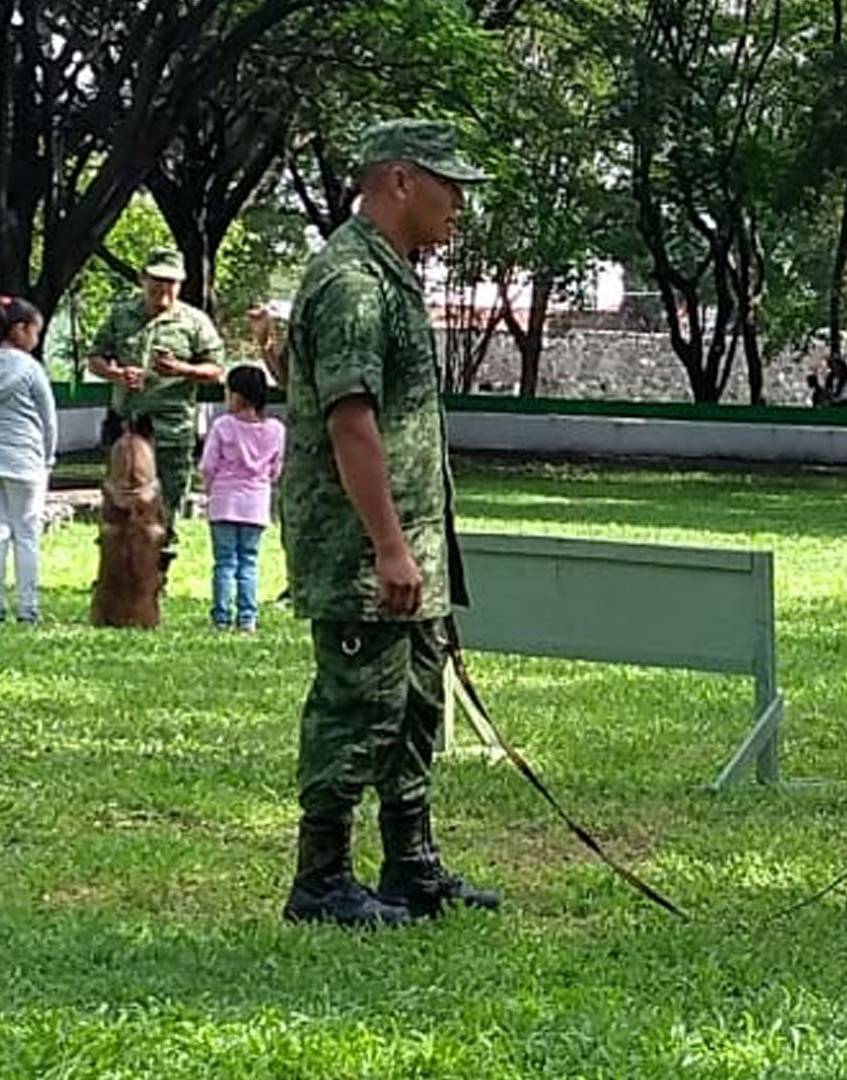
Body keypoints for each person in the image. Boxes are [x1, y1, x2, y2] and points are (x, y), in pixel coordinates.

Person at [278, 119, 499, 927]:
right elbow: (351, 421)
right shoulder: (352, 283)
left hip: (411, 549)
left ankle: (411, 864)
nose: (460, 205)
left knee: (412, 708)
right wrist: (390, 548)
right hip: (364, 551)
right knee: (356, 706)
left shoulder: (391, 274)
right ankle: (322, 880)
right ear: (401, 180)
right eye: (450, 185)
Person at [86, 248, 226, 563]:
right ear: (143, 279)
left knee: (165, 506)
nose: (164, 289)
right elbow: (95, 357)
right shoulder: (121, 315)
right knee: (118, 502)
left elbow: (216, 369)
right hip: (126, 427)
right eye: (157, 281)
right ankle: (116, 570)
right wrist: (116, 374)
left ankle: (156, 574)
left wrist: (182, 369)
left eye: (171, 283)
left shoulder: (194, 321)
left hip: (171, 431)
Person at [0, 296, 56, 625]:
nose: (36, 339)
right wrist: (48, 457)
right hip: (24, 459)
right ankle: (27, 608)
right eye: (35, 331)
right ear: (19, 330)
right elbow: (48, 420)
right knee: (25, 533)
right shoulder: (30, 368)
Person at [199, 364, 284, 633]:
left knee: (224, 562)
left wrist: (210, 490)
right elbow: (276, 469)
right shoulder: (276, 429)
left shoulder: (223, 426)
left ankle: (221, 617)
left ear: (238, 396)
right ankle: (248, 617)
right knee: (249, 561)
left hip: (224, 501)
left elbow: (208, 466)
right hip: (256, 503)